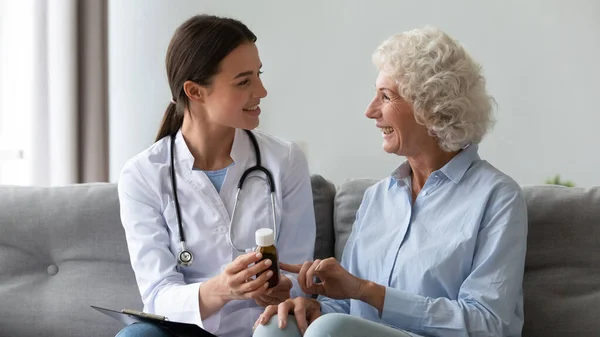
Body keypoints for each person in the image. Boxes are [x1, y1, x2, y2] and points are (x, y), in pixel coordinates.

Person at [254, 26, 528, 337]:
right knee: (276, 328)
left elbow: (488, 324)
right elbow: (348, 310)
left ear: (431, 106)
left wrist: (367, 291)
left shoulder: (496, 197)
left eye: (385, 96)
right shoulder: (377, 197)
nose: (370, 111)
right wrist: (315, 307)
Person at [115, 14, 316, 337]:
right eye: (244, 81)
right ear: (195, 91)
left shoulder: (285, 160)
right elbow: (157, 296)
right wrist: (222, 289)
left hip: (265, 328)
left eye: (258, 75)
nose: (262, 91)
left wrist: (281, 288)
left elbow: (297, 275)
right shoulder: (142, 175)